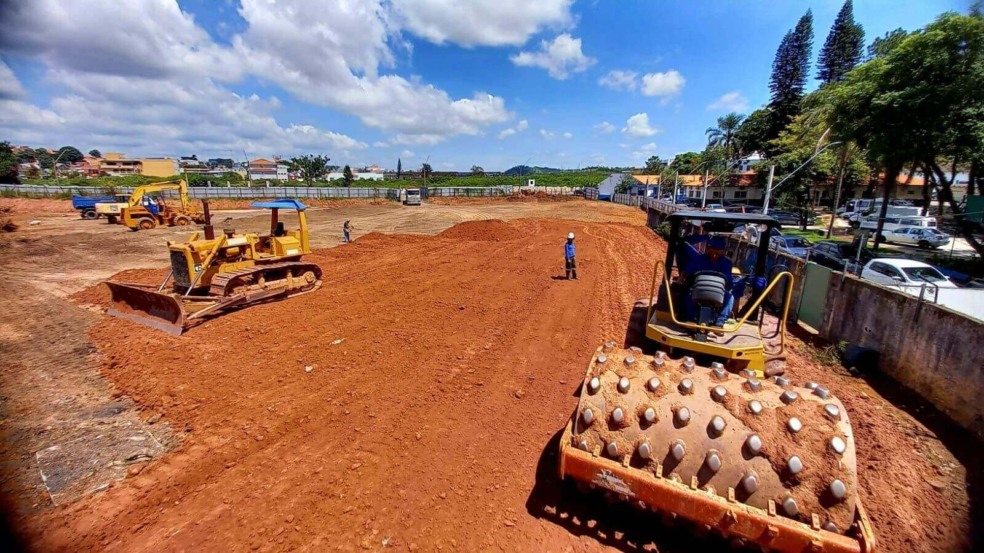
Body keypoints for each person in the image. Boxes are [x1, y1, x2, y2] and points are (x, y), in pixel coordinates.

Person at [679, 233, 733, 327]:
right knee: (688, 293)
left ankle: (720, 322)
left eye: (719, 249)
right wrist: (682, 276)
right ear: (708, 248)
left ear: (723, 251)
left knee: (730, 297)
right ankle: (690, 319)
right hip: (699, 288)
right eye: (713, 248)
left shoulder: (726, 263)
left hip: (718, 290)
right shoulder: (698, 259)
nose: (715, 252)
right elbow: (687, 271)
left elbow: (728, 279)